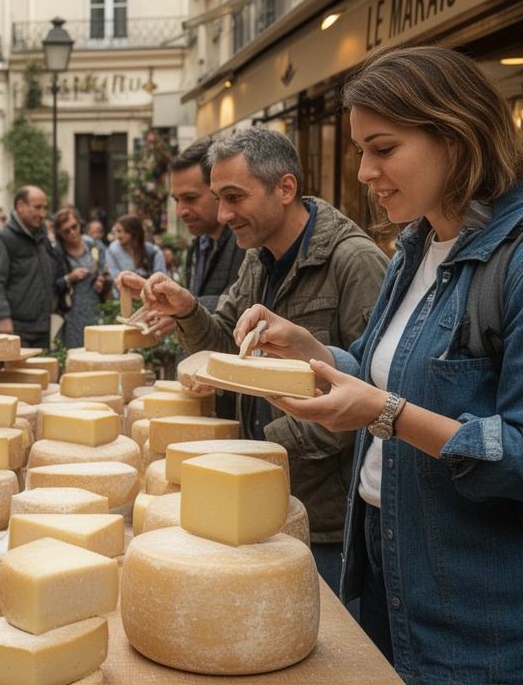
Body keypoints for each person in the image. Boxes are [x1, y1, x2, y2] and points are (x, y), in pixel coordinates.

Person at [244, 47, 523, 683]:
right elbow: (383, 376)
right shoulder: (416, 247)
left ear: (455, 137)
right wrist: (313, 354)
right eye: (360, 151)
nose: (364, 171)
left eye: (383, 149)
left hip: (501, 633)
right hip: (399, 596)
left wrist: (384, 415)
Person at [124, 125, 388, 598]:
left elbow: (374, 396)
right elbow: (224, 346)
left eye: (233, 197)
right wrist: (185, 308)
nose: (223, 215)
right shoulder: (259, 258)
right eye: (218, 199)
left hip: (323, 516)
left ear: (285, 188)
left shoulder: (355, 262)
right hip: (260, 493)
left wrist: (258, 446)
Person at [170, 139, 247, 312]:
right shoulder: (198, 246)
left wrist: (185, 309)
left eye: (190, 198)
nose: (181, 211)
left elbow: (247, 307)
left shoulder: (247, 242)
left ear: (217, 189)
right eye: (176, 200)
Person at [0, 185, 56, 349]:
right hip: (16, 328)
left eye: (44, 208)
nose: (42, 214)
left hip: (42, 326)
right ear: (20, 206)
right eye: (37, 207)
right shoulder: (3, 238)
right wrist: (3, 317)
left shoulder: (41, 236)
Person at [52, 206, 112, 349]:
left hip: (95, 306)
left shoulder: (94, 245)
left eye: (75, 227)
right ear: (60, 234)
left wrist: (101, 280)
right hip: (72, 312)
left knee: (98, 349)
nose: (73, 233)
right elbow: (53, 284)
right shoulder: (58, 253)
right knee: (75, 352)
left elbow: (105, 270)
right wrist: (70, 277)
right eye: (67, 231)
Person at [107, 214, 165, 279]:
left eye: (119, 231)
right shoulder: (113, 250)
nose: (117, 236)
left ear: (132, 231)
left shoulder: (152, 252)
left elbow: (160, 278)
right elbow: (115, 276)